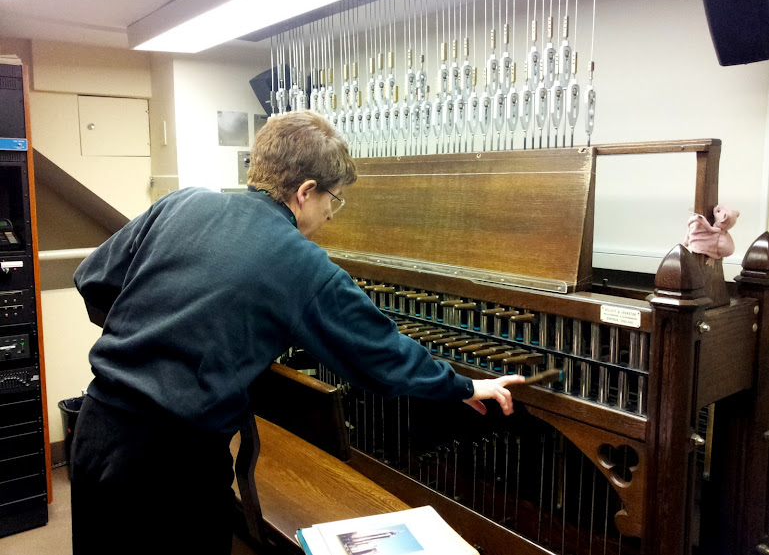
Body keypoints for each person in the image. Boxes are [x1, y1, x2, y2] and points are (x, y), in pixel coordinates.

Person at [70, 110, 524, 555]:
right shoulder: (301, 264)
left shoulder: (182, 202)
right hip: (172, 464)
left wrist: (152, 334)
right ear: (306, 191)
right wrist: (463, 385)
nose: (332, 214)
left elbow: (92, 278)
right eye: (334, 199)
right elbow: (380, 355)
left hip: (97, 429)